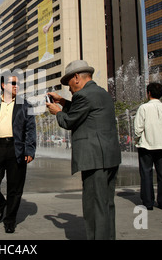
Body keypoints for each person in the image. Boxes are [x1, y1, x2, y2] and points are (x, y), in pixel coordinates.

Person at [46, 60, 121, 240]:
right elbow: (85, 112)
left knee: (94, 206)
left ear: (77, 77)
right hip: (109, 157)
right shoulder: (101, 93)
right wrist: (64, 102)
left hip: (94, 159)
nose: (69, 88)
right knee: (106, 204)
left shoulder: (83, 96)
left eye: (69, 83)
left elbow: (69, 121)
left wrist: (57, 111)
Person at [0, 72, 36, 234]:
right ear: (3, 85)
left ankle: (10, 220)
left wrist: (29, 150)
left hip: (16, 148)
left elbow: (31, 130)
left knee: (15, 187)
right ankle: (0, 205)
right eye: (13, 83)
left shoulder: (26, 106)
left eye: (17, 83)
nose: (16, 86)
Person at [134, 82, 162, 211]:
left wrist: (137, 139)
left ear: (148, 93)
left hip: (146, 145)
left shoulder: (143, 108)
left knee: (146, 173)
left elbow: (138, 128)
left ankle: (148, 202)